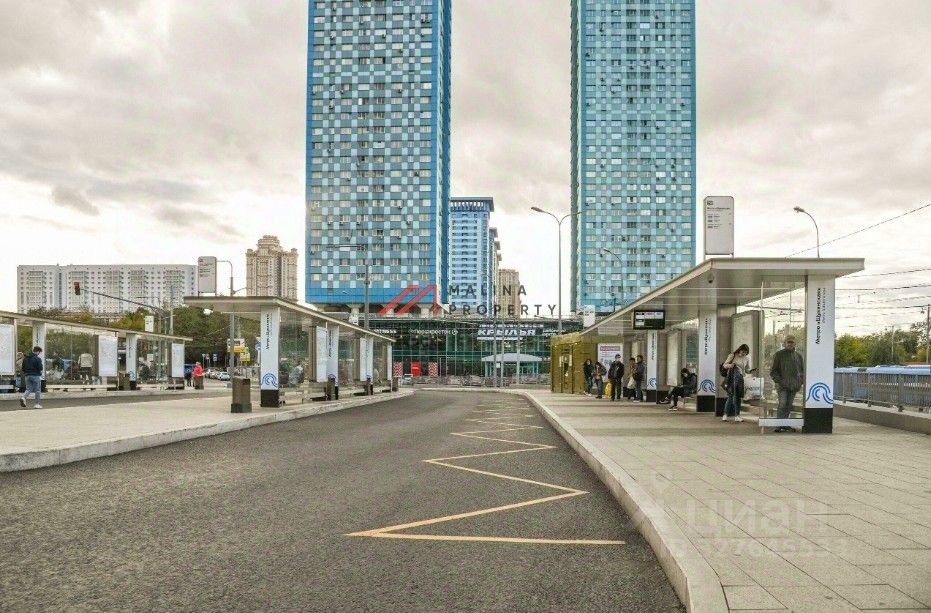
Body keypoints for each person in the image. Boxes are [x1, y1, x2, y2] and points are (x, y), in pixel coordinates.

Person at [770, 335, 804, 432]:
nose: (790, 344)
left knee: (788, 405)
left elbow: (802, 371)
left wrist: (800, 382)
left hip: (794, 386)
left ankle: (784, 424)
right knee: (782, 404)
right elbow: (773, 371)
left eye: (791, 342)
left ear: (795, 343)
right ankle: (779, 425)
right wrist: (779, 381)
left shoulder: (798, 356)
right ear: (785, 343)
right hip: (782, 386)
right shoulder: (779, 355)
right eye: (788, 342)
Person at [722, 344, 753, 422]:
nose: (744, 353)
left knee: (738, 397)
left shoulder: (746, 359)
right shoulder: (733, 355)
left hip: (740, 379)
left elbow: (746, 370)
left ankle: (737, 416)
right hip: (732, 378)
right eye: (743, 351)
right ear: (739, 350)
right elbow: (724, 365)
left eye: (745, 352)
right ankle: (725, 415)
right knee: (730, 396)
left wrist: (751, 371)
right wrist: (730, 365)